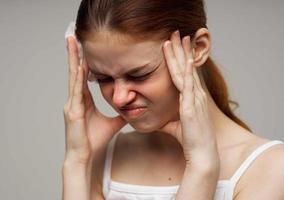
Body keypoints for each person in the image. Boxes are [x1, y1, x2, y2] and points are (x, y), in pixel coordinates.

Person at [62, 0, 284, 199]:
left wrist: (201, 167)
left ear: (197, 48)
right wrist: (77, 161)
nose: (119, 98)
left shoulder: (271, 169)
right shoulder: (105, 158)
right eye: (103, 79)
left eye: (140, 75)